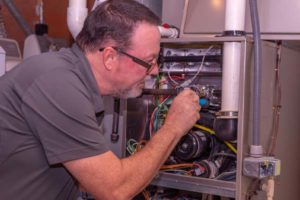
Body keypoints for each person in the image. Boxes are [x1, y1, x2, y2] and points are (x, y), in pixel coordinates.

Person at [0, 0, 200, 199]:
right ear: (110, 57)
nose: (155, 71)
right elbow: (115, 190)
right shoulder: (58, 83)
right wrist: (174, 126)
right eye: (149, 62)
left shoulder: (75, 79)